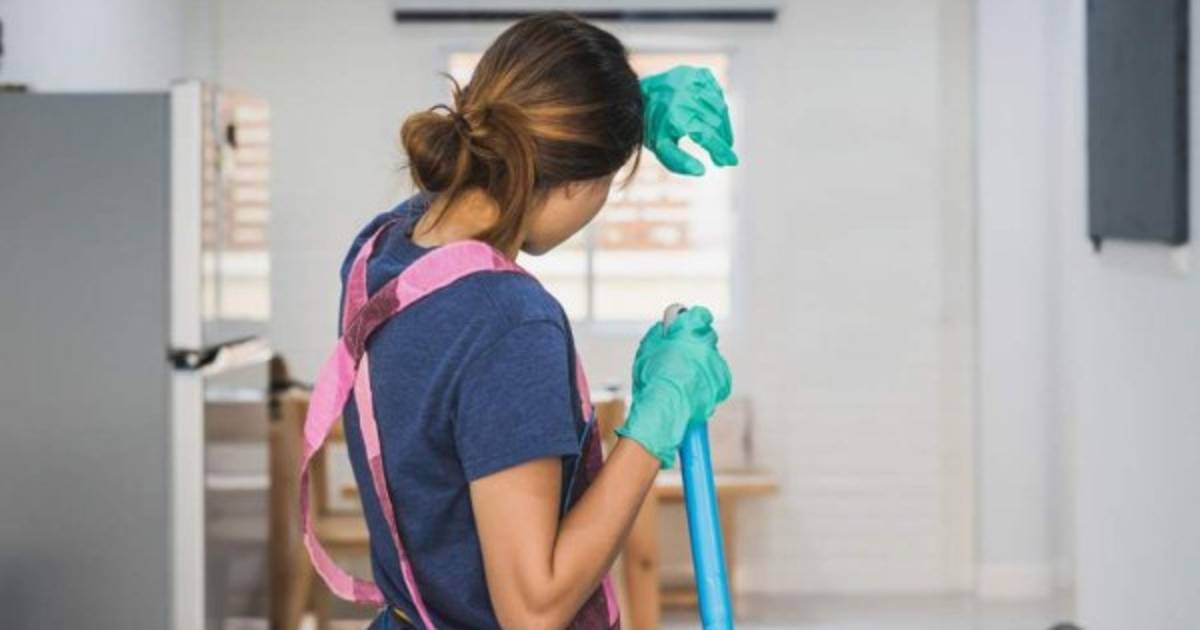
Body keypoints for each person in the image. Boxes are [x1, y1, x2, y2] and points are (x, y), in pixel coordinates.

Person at [329, 12, 735, 628]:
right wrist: (657, 419)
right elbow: (533, 608)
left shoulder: (383, 249)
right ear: (577, 181)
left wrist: (619, 117)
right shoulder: (509, 324)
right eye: (607, 182)